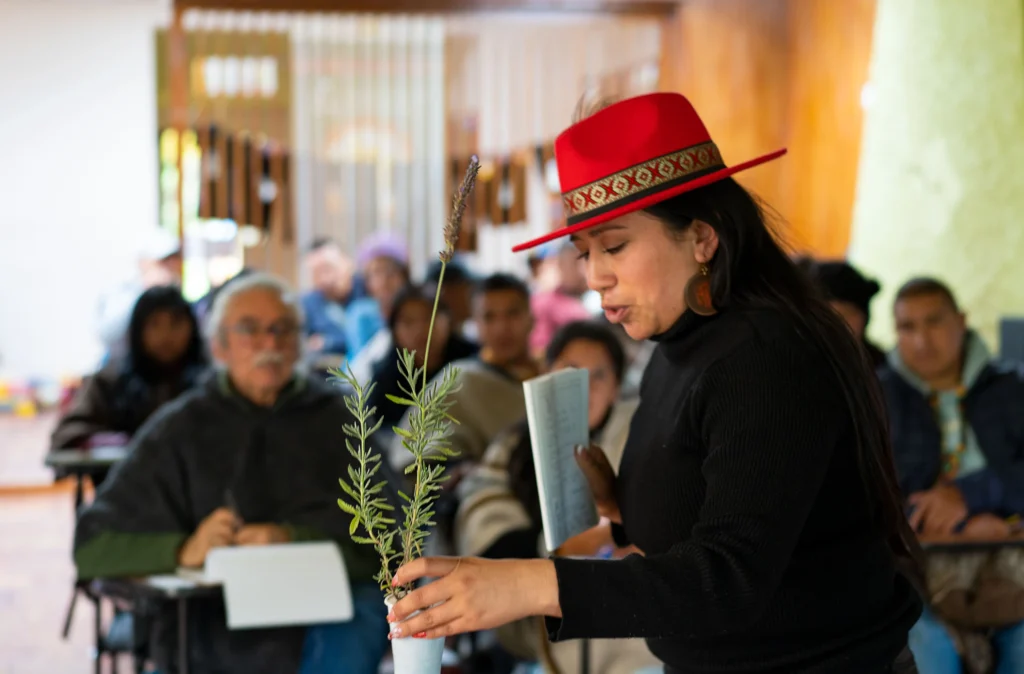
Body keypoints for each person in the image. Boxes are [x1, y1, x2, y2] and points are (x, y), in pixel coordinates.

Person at [385, 92, 923, 673]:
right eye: (584, 252)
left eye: (615, 246)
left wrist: (527, 583)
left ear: (702, 237)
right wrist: (623, 505)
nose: (596, 276)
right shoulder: (678, 345)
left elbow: (729, 579)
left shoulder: (765, 355)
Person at [74, 274, 388, 674]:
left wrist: (291, 538)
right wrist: (183, 550)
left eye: (282, 329)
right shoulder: (180, 427)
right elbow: (92, 545)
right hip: (215, 623)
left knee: (363, 611)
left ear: (300, 342)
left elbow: (394, 540)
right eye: (249, 329)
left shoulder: (341, 420)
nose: (269, 343)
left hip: (327, 619)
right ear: (218, 346)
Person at [454, 319, 657, 674]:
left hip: (634, 633)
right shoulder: (514, 446)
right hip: (541, 625)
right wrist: (557, 548)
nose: (585, 388)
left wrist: (599, 538)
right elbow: (487, 524)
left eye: (599, 376)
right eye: (572, 373)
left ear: (616, 387)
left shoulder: (641, 439)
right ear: (547, 375)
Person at [879, 277, 1024, 674]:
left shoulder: (1011, 388)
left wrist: (970, 496)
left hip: (1011, 560)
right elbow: (864, 493)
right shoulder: (878, 395)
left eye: (934, 321)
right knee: (926, 650)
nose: (922, 340)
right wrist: (959, 525)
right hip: (915, 572)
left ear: (961, 321)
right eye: (907, 327)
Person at [52, 286, 208, 484]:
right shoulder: (109, 382)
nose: (166, 334)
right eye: (154, 324)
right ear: (137, 329)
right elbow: (69, 434)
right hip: (122, 492)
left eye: (175, 323)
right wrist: (115, 442)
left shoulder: (208, 385)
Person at [799, 258, 887, 367]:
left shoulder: (881, 367)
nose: (838, 323)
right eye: (828, 315)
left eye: (847, 314)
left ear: (864, 318)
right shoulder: (793, 361)